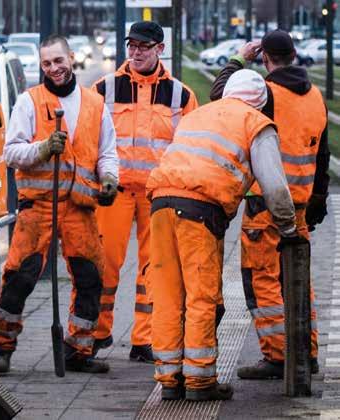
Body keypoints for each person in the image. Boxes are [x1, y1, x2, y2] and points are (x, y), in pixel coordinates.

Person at [146, 69, 299, 401]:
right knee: (202, 297)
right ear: (260, 102)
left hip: (160, 204)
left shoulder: (198, 114)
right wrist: (288, 228)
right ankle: (200, 381)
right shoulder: (255, 123)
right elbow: (274, 186)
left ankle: (170, 378)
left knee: (168, 294)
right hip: (199, 211)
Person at [0, 35, 118, 374]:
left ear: (71, 58)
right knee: (21, 276)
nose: (53, 68)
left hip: (79, 205)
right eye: (46, 63)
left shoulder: (94, 104)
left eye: (58, 61)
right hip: (39, 207)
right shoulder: (29, 102)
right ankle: (2, 346)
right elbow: (12, 152)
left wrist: (109, 180)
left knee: (90, 277)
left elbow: (106, 153)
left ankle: (79, 349)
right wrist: (43, 148)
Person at [210, 29, 329, 379]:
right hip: (302, 204)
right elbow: (323, 154)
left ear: (265, 58)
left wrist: (237, 59)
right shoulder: (316, 96)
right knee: (298, 279)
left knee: (263, 279)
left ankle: (279, 357)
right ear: (294, 56)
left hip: (266, 204)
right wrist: (319, 198)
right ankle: (306, 352)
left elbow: (221, 98)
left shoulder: (266, 94)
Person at [91, 21, 198, 363]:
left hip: (158, 194)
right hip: (115, 192)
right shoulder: (103, 89)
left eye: (143, 47)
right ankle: (96, 333)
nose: (136, 52)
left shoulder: (181, 96)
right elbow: (87, 139)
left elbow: (190, 146)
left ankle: (145, 339)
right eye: (132, 46)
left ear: (159, 49)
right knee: (104, 263)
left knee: (156, 268)